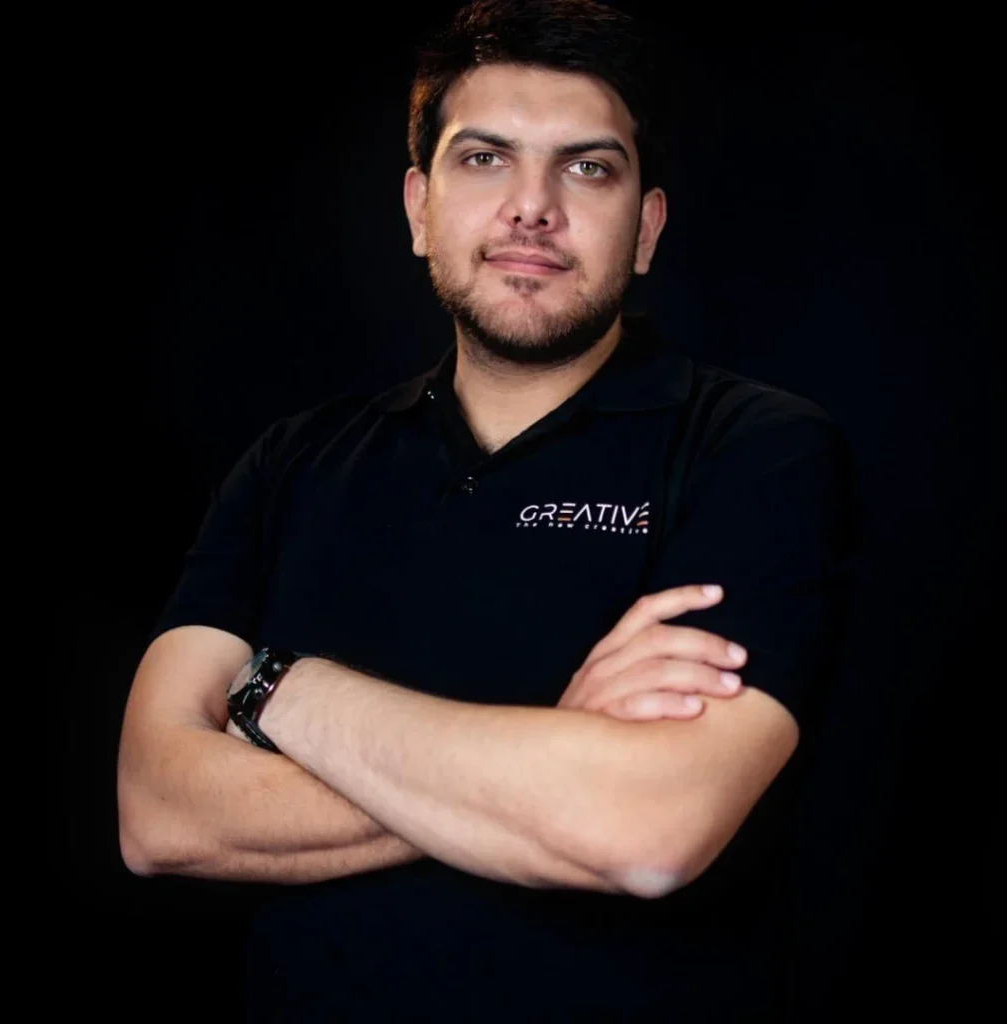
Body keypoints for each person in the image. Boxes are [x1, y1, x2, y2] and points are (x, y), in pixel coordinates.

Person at [117, 1, 861, 1019]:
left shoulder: (756, 449)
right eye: (484, 159)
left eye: (587, 168)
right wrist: (555, 746)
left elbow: (645, 830)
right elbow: (157, 812)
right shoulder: (293, 463)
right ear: (419, 208)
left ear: (646, 229)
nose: (532, 208)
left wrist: (275, 686)